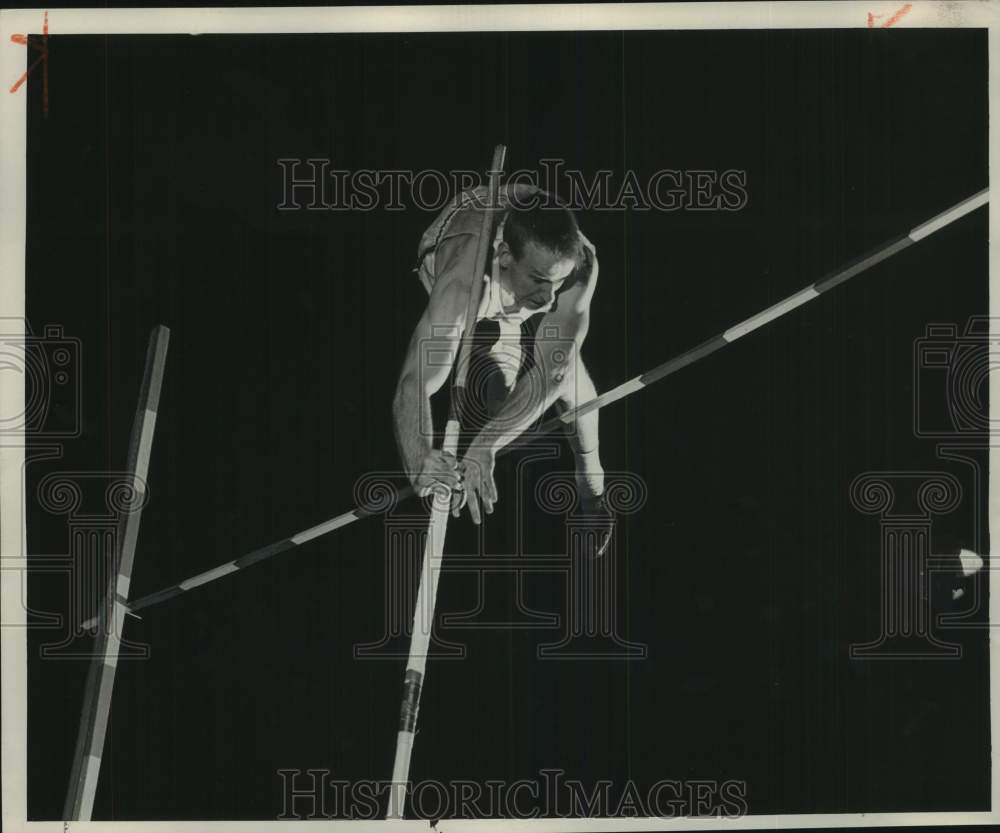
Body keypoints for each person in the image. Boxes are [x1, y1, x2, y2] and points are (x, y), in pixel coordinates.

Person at [393, 182, 612, 554]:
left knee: (567, 376)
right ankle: (494, 351)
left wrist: (485, 447)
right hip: (457, 242)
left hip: (518, 230)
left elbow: (552, 371)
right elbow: (414, 382)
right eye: (540, 281)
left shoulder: (578, 266)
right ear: (505, 256)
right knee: (498, 403)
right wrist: (418, 455)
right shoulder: (461, 288)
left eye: (558, 283)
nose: (549, 297)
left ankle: (592, 482)